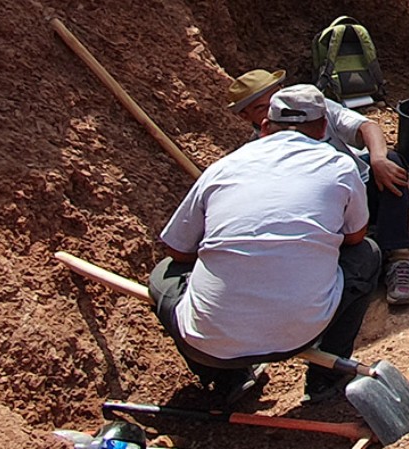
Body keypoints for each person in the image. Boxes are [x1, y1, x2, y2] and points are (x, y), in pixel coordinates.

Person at [149, 86, 379, 405]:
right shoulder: (340, 166)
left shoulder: (222, 168)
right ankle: (326, 378)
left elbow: (177, 251)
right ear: (324, 128)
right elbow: (355, 237)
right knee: (367, 255)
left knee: (164, 274)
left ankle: (229, 378)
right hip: (301, 334)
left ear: (265, 128)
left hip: (209, 344)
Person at [224, 71, 409, 307]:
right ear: (250, 118)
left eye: (275, 98)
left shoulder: (314, 108)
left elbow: (366, 127)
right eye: (261, 107)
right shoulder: (256, 153)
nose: (277, 107)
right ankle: (369, 245)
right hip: (325, 213)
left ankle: (398, 256)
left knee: (391, 164)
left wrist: (378, 159)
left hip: (359, 192)